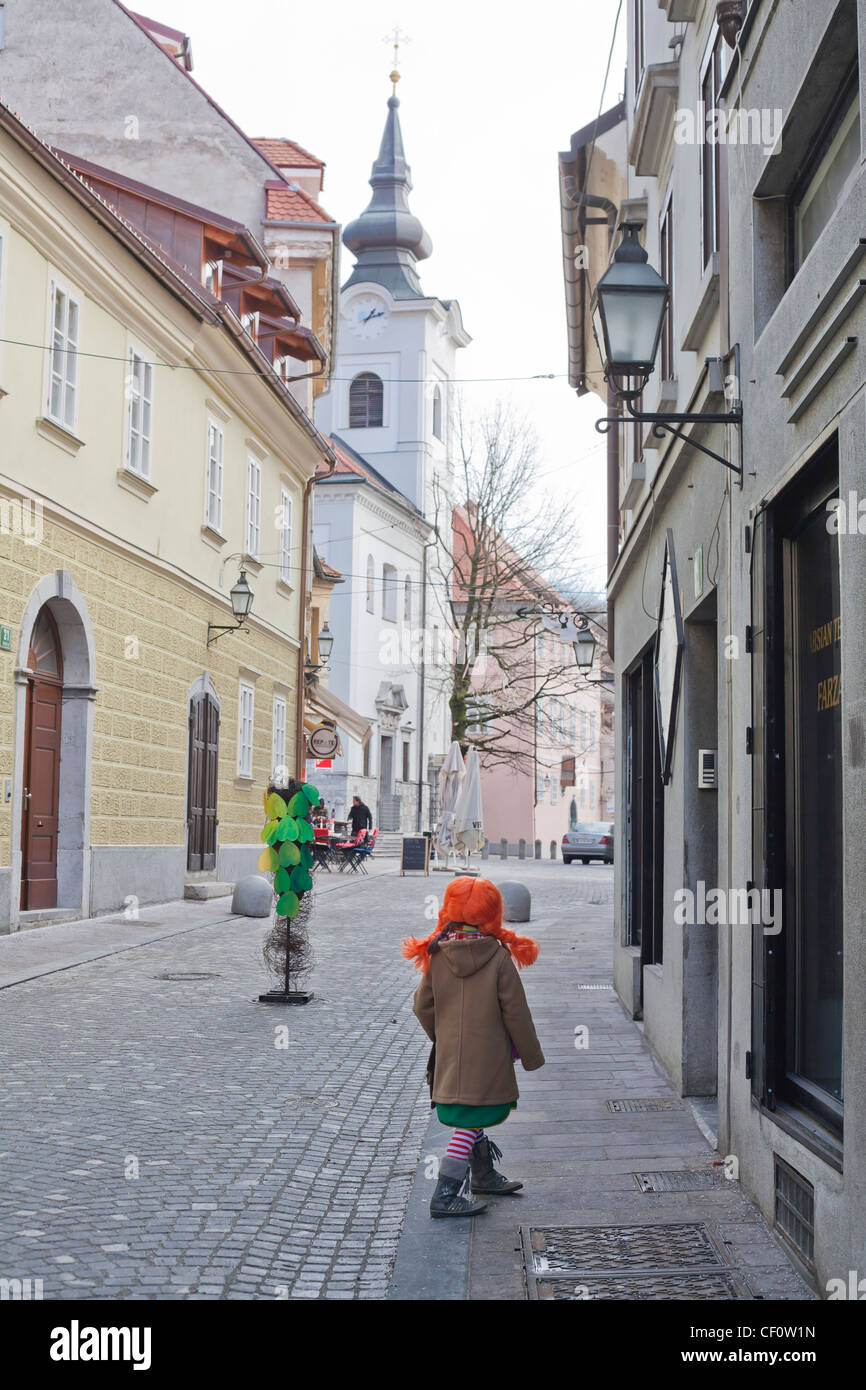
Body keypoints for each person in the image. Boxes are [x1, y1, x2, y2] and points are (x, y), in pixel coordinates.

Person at [402, 876, 544, 1219]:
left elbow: (422, 1006)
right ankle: (445, 1194)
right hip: (488, 1059)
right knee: (469, 1121)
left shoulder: (437, 955)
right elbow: (516, 1012)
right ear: (492, 913)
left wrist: (446, 1036)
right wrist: (530, 1055)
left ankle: (482, 1175)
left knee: (471, 1110)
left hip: (452, 1059)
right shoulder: (497, 957)